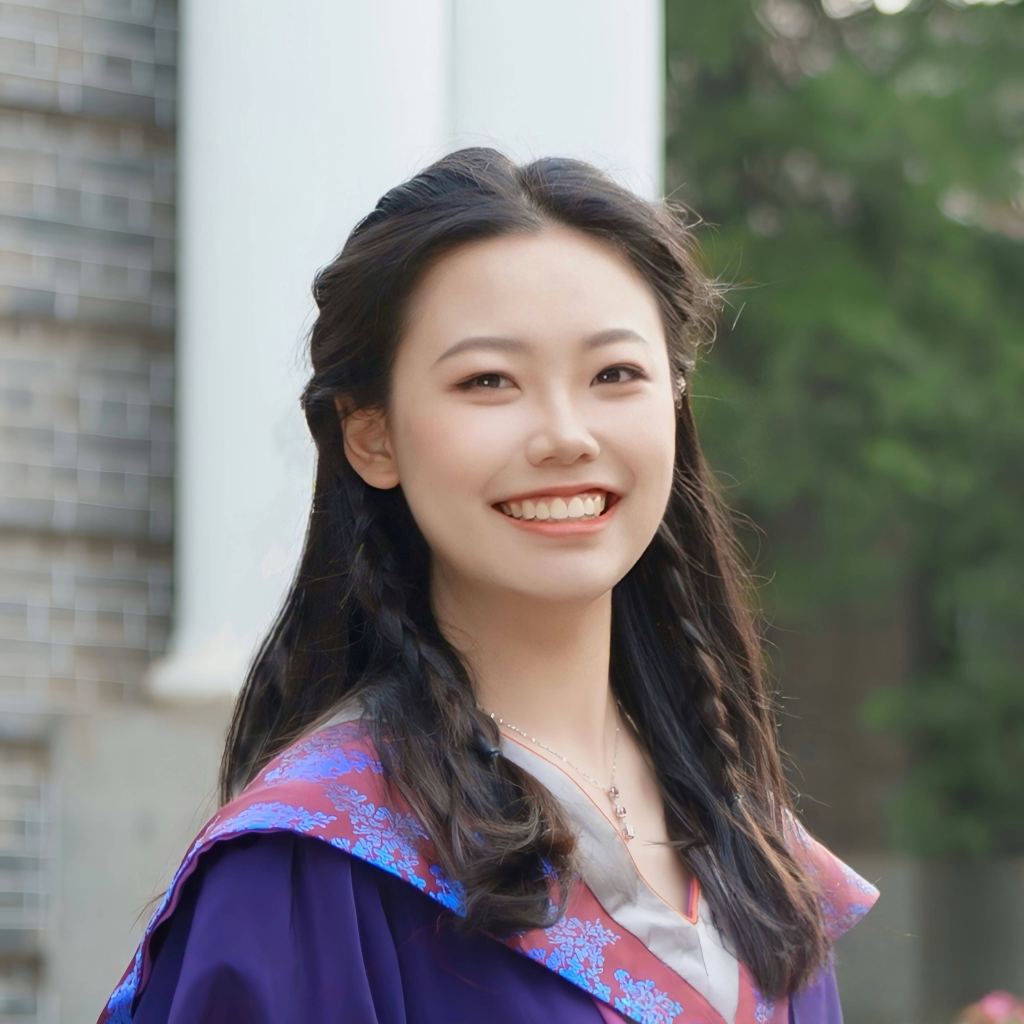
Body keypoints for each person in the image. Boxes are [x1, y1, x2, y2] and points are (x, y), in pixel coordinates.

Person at [97, 147, 880, 1023]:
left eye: (614, 374)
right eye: (488, 381)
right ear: (372, 436)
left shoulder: (755, 847)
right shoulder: (312, 865)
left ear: (675, 398)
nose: (566, 435)